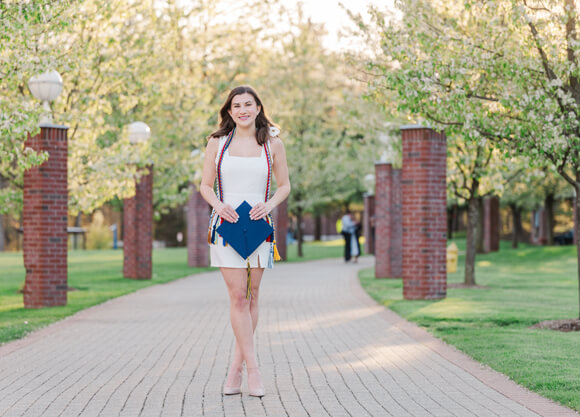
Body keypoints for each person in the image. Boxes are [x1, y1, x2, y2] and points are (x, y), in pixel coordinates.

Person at [200, 85, 290, 398]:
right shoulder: (217, 143)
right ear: (229, 111)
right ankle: (254, 370)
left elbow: (285, 185)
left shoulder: (272, 143)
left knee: (252, 296)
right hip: (226, 226)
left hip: (258, 226)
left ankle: (235, 369)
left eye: (248, 104)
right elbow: (205, 185)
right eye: (236, 105)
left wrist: (269, 204)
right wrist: (217, 204)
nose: (242, 110)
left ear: (258, 108)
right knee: (237, 297)